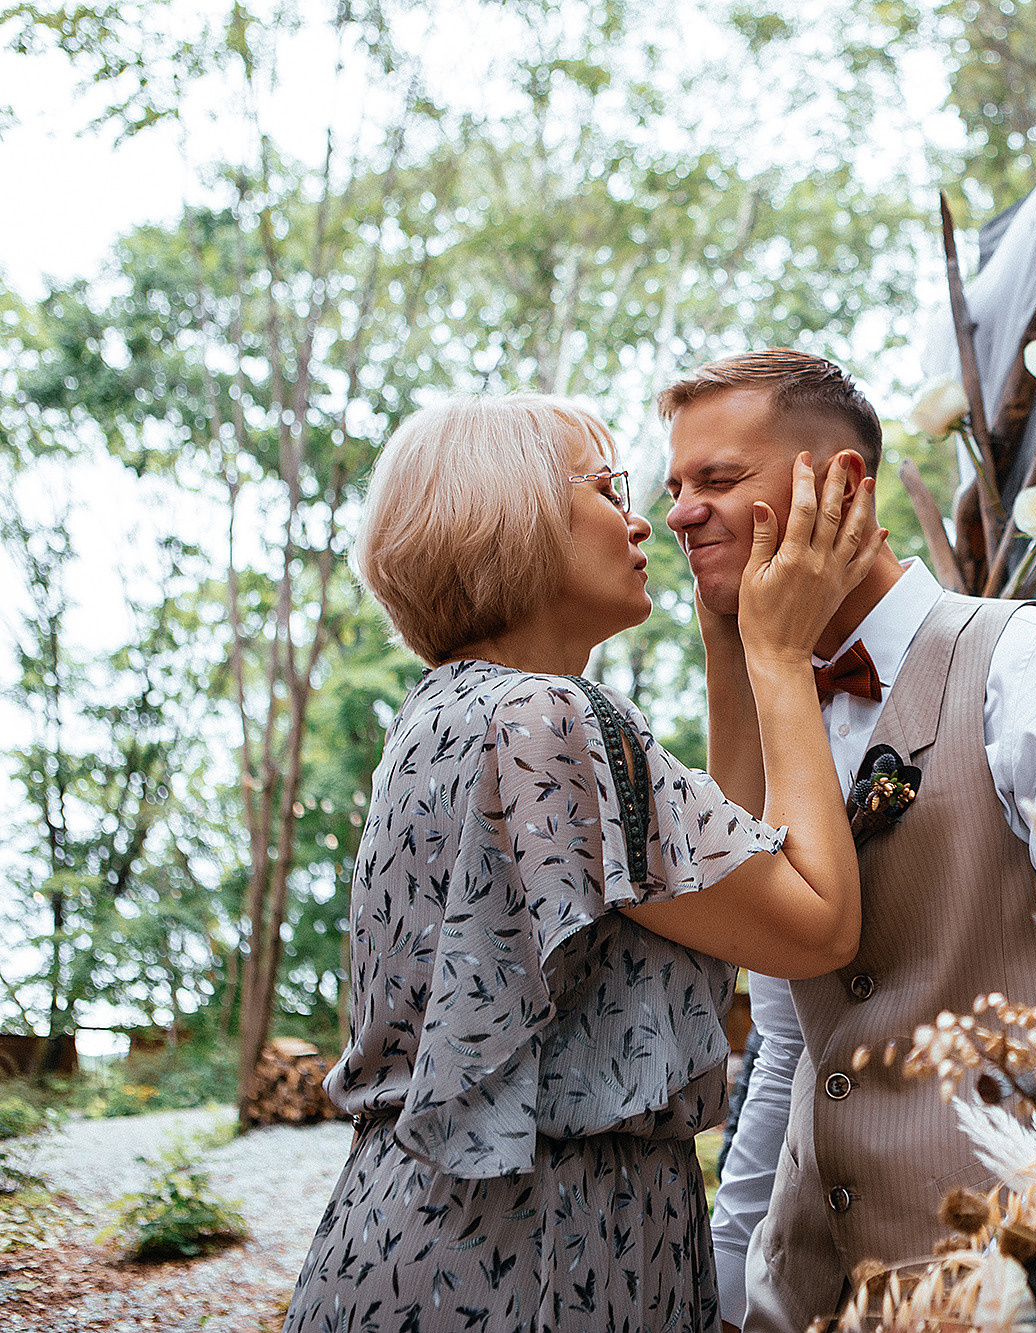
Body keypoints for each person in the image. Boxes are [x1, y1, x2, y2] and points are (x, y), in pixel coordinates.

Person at [285, 393, 885, 1333]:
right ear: (511, 515)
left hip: (418, 1244)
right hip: (538, 1254)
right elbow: (816, 924)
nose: (645, 516)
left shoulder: (452, 715)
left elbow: (717, 871)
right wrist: (781, 655)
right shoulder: (556, 720)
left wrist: (727, 643)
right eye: (610, 488)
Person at [660, 349, 1036, 1333]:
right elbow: (787, 1050)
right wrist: (732, 1284)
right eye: (675, 488)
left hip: (1027, 1287)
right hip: (822, 1300)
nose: (679, 514)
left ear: (840, 485)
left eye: (717, 480)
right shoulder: (769, 713)